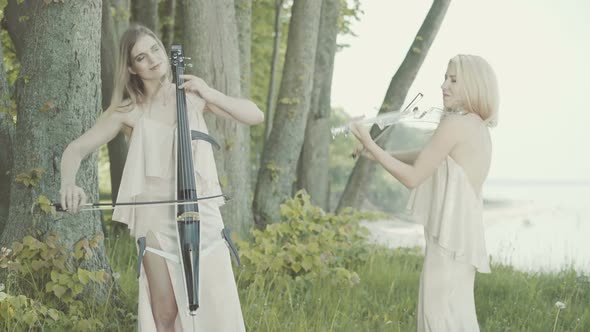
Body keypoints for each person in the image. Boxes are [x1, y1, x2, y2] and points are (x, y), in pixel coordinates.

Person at [59, 24, 263, 331]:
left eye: (155, 49)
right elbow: (74, 150)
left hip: (199, 209)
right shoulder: (126, 111)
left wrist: (210, 92)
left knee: (214, 301)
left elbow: (254, 115)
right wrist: (68, 184)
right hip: (154, 216)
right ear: (131, 68)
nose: (154, 59)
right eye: (142, 56)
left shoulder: (191, 96)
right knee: (165, 309)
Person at [350, 54, 499, 331]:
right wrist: (375, 152)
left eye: (454, 80)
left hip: (448, 239)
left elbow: (413, 176)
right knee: (456, 312)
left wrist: (371, 142)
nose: (444, 85)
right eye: (444, 78)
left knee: (437, 314)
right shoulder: (476, 126)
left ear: (475, 85)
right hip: (461, 237)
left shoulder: (454, 124)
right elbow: (428, 155)